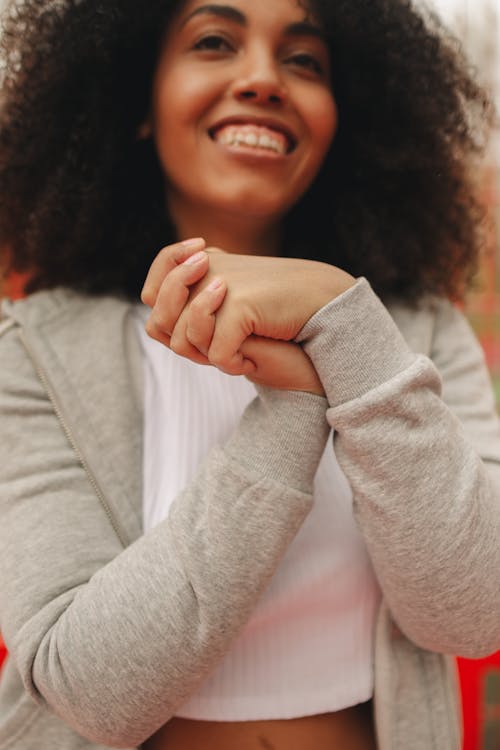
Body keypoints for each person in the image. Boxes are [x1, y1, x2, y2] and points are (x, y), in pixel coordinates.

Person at [0, 0, 499, 748]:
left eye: (305, 59)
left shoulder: (414, 333)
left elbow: (471, 610)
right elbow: (89, 688)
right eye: (213, 41)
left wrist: (341, 316)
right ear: (138, 101)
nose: (265, 78)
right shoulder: (34, 350)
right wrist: (295, 400)